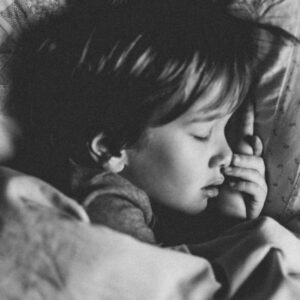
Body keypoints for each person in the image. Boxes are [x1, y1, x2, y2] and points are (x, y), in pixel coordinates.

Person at [8, 0, 294, 245]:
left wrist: (227, 217)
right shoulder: (106, 201)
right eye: (202, 134)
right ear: (111, 148)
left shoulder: (144, 189)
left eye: (225, 127)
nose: (227, 154)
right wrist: (233, 230)